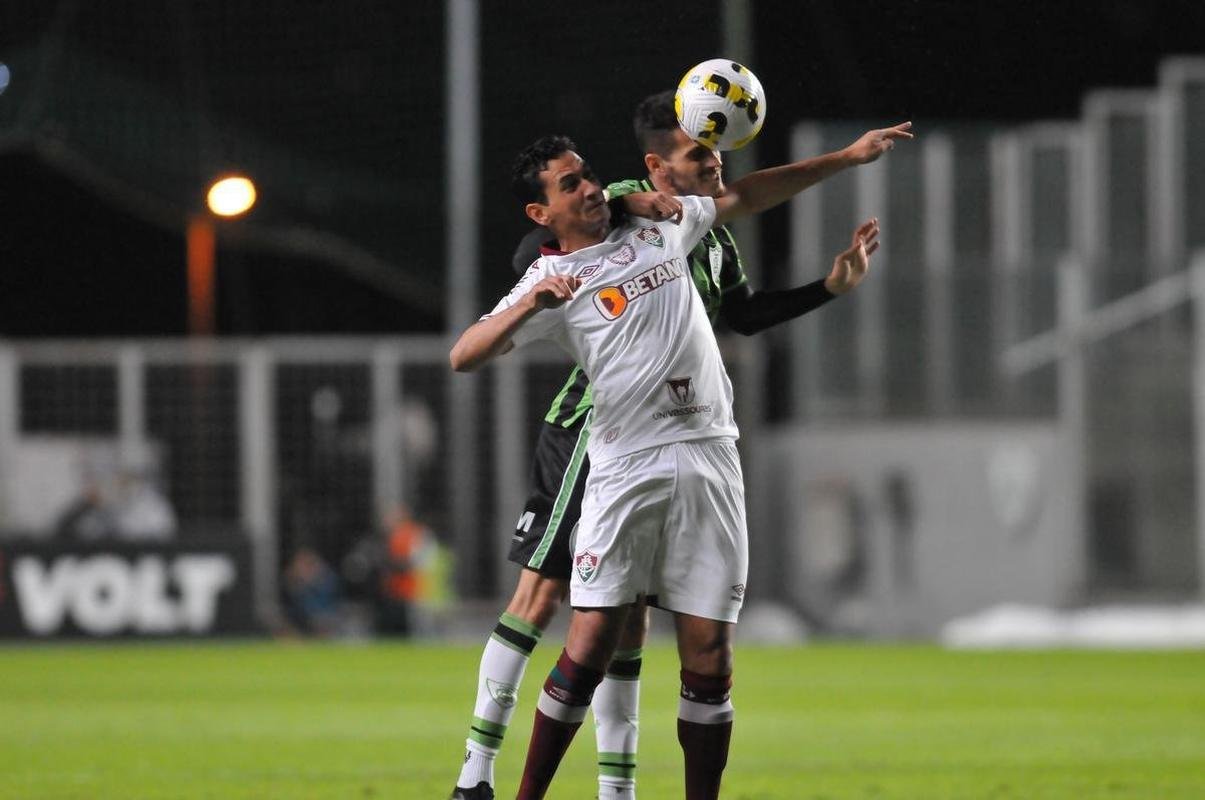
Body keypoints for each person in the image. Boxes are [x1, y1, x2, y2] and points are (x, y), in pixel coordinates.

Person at [449, 93, 910, 800]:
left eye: (587, 176)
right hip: (622, 464)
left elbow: (750, 195)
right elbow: (464, 354)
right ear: (543, 212)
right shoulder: (553, 277)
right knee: (588, 636)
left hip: (708, 456)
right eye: (570, 184)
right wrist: (528, 306)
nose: (591, 188)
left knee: (709, 654)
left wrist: (846, 161)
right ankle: (508, 787)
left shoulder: (668, 227)